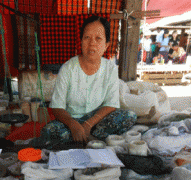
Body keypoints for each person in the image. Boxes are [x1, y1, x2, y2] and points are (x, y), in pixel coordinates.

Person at [30, 16, 137, 150]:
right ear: (81, 41)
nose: (92, 43)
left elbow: (111, 104)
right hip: (72, 121)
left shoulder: (110, 69)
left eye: (98, 38)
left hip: (97, 121)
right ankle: (91, 138)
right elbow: (57, 107)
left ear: (106, 45)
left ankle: (83, 137)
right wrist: (74, 125)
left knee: (129, 116)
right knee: (50, 130)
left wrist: (87, 125)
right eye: (87, 37)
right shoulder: (68, 68)